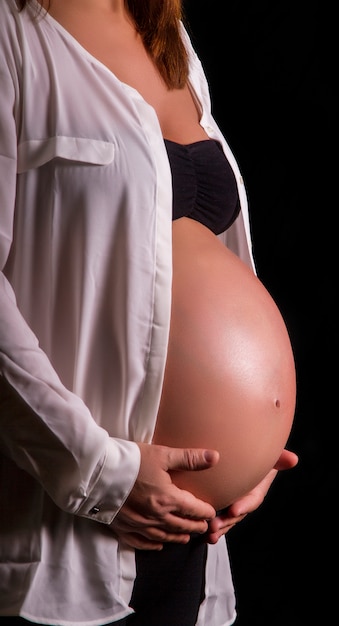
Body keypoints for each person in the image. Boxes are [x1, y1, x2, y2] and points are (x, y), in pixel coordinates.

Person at [0, 1, 299, 625]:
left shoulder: (169, 39)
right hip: (69, 532)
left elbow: (204, 253)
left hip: (200, 541)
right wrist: (101, 473)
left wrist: (252, 448)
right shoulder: (13, 34)